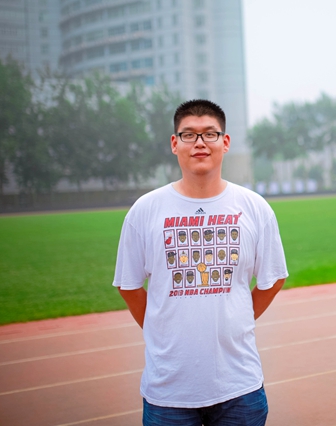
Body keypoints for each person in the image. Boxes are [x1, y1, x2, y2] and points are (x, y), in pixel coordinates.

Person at [112, 99, 288, 426]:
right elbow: (129, 286)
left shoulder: (254, 208)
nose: (200, 143)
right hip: (169, 391)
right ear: (174, 143)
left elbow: (273, 279)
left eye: (210, 133)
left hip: (239, 387)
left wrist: (238, 318)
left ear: (225, 142)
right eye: (189, 134)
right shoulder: (145, 210)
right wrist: (160, 329)